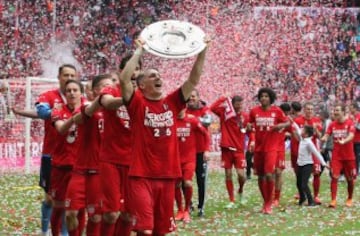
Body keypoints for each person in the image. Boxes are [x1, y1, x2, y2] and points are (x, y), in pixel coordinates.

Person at [119, 37, 208, 235]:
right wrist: (139, 51)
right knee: (145, 230)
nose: (158, 78)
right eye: (152, 76)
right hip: (141, 175)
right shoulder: (137, 104)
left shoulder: (172, 102)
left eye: (159, 75)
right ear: (141, 85)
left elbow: (193, 80)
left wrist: (202, 51)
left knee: (161, 231)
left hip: (167, 176)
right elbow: (124, 80)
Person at [12, 64, 78, 236]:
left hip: (74, 156)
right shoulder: (50, 96)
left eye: (72, 74)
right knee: (50, 198)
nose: (68, 78)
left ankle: (64, 233)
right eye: (65, 75)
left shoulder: (78, 97)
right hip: (51, 155)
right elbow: (41, 111)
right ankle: (43, 231)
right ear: (59, 77)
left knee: (67, 199)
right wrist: (59, 113)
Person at [65, 74, 114, 236]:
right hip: (79, 171)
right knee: (70, 214)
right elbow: (78, 119)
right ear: (94, 91)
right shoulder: (86, 107)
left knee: (96, 217)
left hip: (100, 173)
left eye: (112, 85)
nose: (110, 88)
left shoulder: (115, 113)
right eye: (105, 86)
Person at [97, 56, 141, 236]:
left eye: (137, 68)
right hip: (111, 160)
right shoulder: (110, 90)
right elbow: (107, 103)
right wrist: (128, 98)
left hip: (135, 163)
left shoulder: (146, 95)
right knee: (111, 214)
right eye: (130, 68)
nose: (133, 72)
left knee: (129, 215)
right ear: (121, 72)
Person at [248, 87, 289, 214]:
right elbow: (249, 125)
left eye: (266, 96)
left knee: (269, 174)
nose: (263, 98)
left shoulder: (277, 111)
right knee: (260, 176)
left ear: (271, 98)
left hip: (272, 147)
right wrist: (249, 127)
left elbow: (287, 123)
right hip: (259, 148)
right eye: (261, 96)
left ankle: (269, 203)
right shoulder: (254, 111)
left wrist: (280, 126)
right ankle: (265, 200)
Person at [50, 79, 84, 236]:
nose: (71, 93)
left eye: (75, 90)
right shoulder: (57, 111)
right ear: (64, 93)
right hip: (60, 166)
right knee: (58, 206)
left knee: (79, 208)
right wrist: (75, 117)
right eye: (68, 90)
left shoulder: (88, 110)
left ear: (81, 93)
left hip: (80, 168)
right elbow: (61, 130)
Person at [210, 95, 250, 208]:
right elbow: (212, 108)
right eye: (237, 103)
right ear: (232, 104)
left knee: (241, 175)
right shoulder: (225, 113)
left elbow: (249, 130)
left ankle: (240, 191)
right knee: (228, 174)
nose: (239, 105)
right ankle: (231, 200)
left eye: (241, 103)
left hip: (239, 150)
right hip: (226, 148)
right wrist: (223, 98)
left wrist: (252, 140)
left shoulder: (245, 116)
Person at [174, 108, 209, 223]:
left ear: (184, 107)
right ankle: (179, 210)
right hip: (175, 158)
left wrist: (206, 150)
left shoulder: (192, 120)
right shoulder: (171, 120)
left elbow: (205, 133)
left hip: (189, 158)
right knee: (176, 185)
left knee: (187, 182)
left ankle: (186, 210)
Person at [321, 103, 357, 208]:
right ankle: (333, 200)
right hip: (336, 155)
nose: (335, 112)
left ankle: (350, 198)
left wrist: (344, 141)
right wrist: (323, 138)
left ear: (343, 112)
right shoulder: (332, 124)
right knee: (334, 177)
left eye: (337, 110)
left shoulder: (350, 123)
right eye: (334, 110)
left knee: (350, 179)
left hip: (349, 156)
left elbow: (351, 135)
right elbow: (327, 134)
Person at [186, 89, 212, 217]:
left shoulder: (204, 110)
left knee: (200, 180)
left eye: (193, 96)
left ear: (198, 97)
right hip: (186, 152)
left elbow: (207, 122)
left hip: (201, 151)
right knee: (185, 180)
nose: (191, 98)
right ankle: (188, 205)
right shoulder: (183, 110)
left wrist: (207, 150)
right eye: (189, 96)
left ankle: (201, 207)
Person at [291, 102, 323, 204]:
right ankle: (302, 194)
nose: (309, 111)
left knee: (317, 173)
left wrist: (315, 129)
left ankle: (316, 196)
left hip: (313, 150)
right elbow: (294, 133)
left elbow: (319, 136)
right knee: (299, 175)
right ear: (304, 110)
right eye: (308, 109)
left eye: (311, 109)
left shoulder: (316, 121)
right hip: (300, 152)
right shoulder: (298, 120)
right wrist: (301, 140)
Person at [273, 102, 292, 207]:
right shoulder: (273, 118)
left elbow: (292, 132)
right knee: (270, 173)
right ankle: (270, 196)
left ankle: (276, 198)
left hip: (280, 150)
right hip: (270, 149)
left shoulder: (287, 121)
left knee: (278, 172)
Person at [349, 101, 360, 174]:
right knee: (352, 156)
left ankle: (357, 171)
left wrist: (354, 122)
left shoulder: (359, 116)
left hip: (358, 140)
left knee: (357, 156)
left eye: (351, 108)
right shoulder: (350, 116)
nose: (350, 109)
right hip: (351, 140)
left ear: (355, 108)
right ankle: (352, 171)